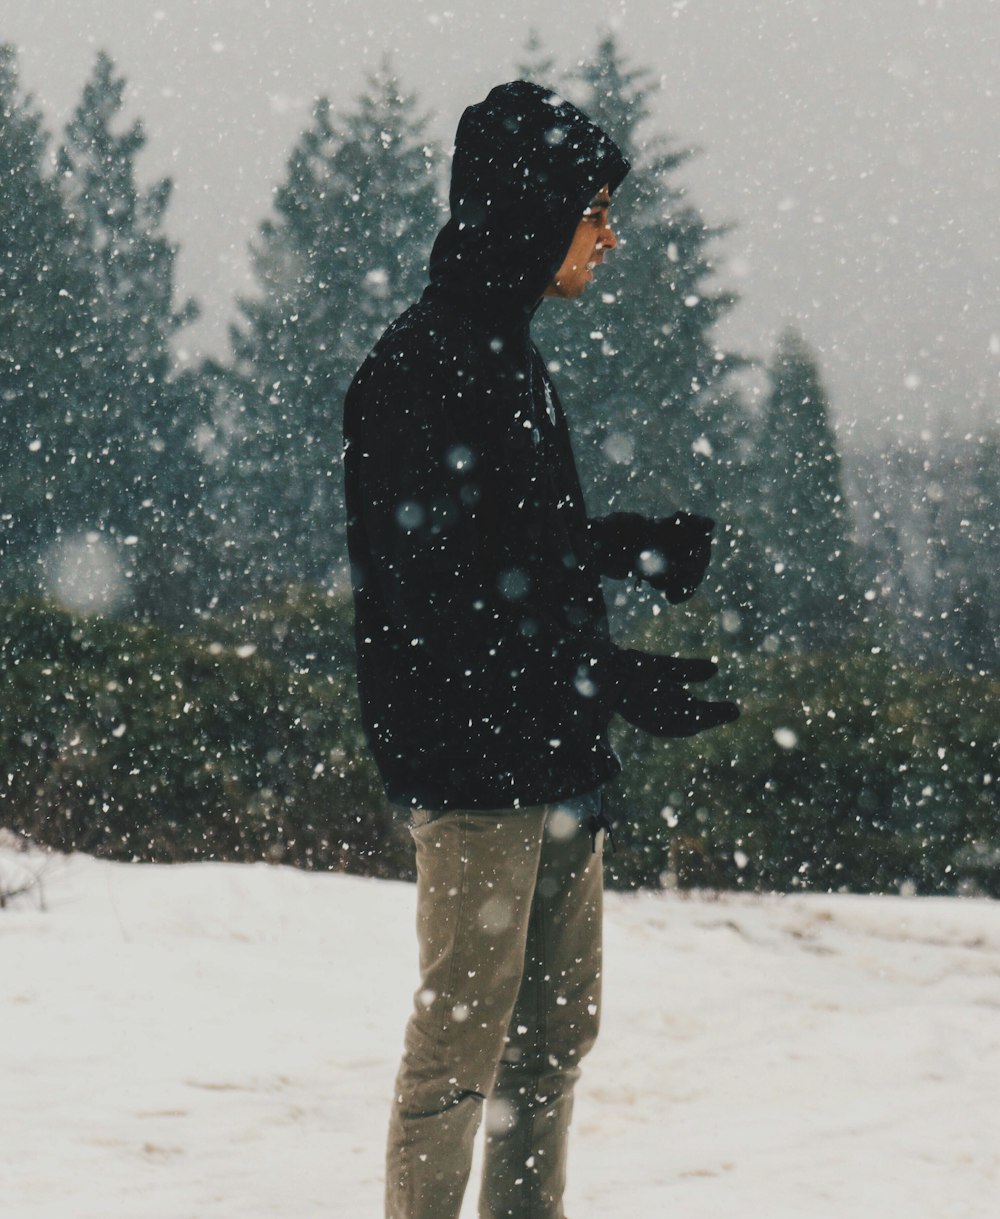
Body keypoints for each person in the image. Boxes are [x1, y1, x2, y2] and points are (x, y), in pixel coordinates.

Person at [343, 80, 739, 1219]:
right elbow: (434, 605)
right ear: (531, 210)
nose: (609, 236)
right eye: (594, 210)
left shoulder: (511, 354)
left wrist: (617, 548)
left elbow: (505, 546)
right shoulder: (417, 369)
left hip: (557, 756)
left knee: (555, 1035)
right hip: (474, 770)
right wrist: (603, 672)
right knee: (460, 1050)